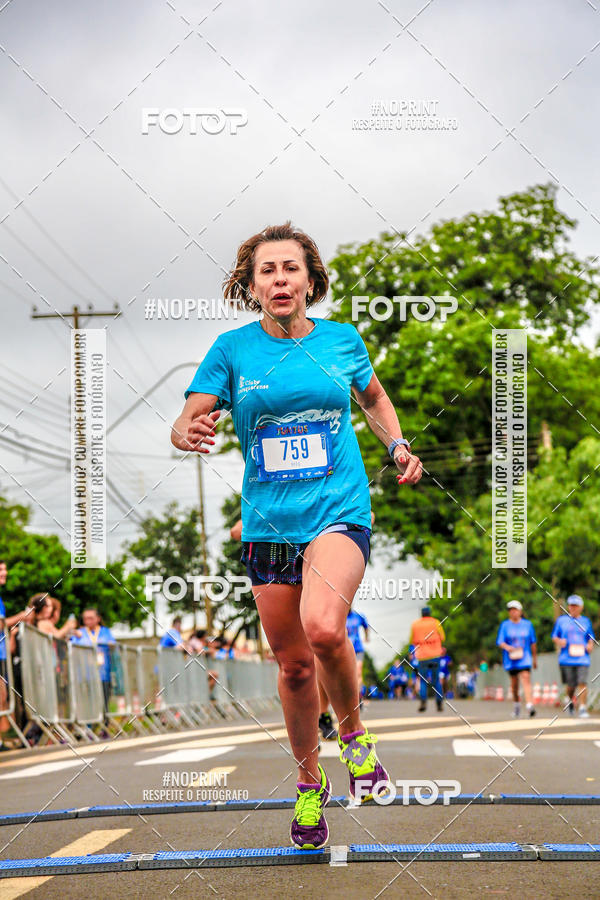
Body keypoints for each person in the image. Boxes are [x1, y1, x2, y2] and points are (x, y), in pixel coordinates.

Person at [171, 222, 422, 850]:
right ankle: (311, 784)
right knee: (292, 668)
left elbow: (375, 397)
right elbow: (190, 414)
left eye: (291, 268)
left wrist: (397, 445)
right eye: (266, 271)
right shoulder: (232, 350)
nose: (280, 279)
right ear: (250, 285)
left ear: (311, 279)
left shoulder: (341, 341)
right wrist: (184, 430)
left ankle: (357, 742)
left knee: (323, 628)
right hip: (267, 522)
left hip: (338, 506)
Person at [552, 595, 595, 718]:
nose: (573, 608)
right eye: (571, 605)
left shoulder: (586, 621)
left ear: (581, 607)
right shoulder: (561, 620)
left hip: (582, 658)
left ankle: (582, 708)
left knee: (582, 682)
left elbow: (590, 637)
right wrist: (560, 641)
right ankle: (570, 701)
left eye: (576, 606)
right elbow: (554, 636)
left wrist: (590, 645)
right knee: (571, 685)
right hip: (566, 658)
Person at [70, 608, 116, 727]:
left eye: (91, 618)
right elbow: (72, 645)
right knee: (87, 702)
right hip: (85, 674)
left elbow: (112, 644)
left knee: (103, 701)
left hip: (103, 673)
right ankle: (88, 727)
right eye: (85, 618)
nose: (88, 621)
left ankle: (103, 727)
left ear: (98, 619)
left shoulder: (105, 631)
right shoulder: (80, 632)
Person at [496, 600, 537, 718]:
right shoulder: (505, 625)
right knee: (514, 685)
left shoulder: (528, 624)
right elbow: (500, 641)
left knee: (526, 678)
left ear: (520, 611)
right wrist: (508, 647)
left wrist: (534, 659)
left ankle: (529, 704)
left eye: (515, 610)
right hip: (511, 659)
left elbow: (533, 642)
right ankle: (517, 705)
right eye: (511, 610)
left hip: (525, 658)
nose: (513, 612)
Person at [410, 606, 445, 713]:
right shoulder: (436, 622)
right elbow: (443, 637)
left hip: (422, 656)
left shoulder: (415, 625)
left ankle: (423, 702)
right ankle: (439, 703)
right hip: (435, 655)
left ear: (421, 614)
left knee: (423, 681)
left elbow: (412, 640)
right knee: (436, 680)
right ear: (429, 613)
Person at [346, 607, 370, 705]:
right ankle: (348, 698)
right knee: (347, 674)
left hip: (358, 649)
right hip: (345, 650)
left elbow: (366, 626)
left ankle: (358, 697)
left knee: (358, 672)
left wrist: (366, 637)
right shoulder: (340, 616)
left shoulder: (358, 616)